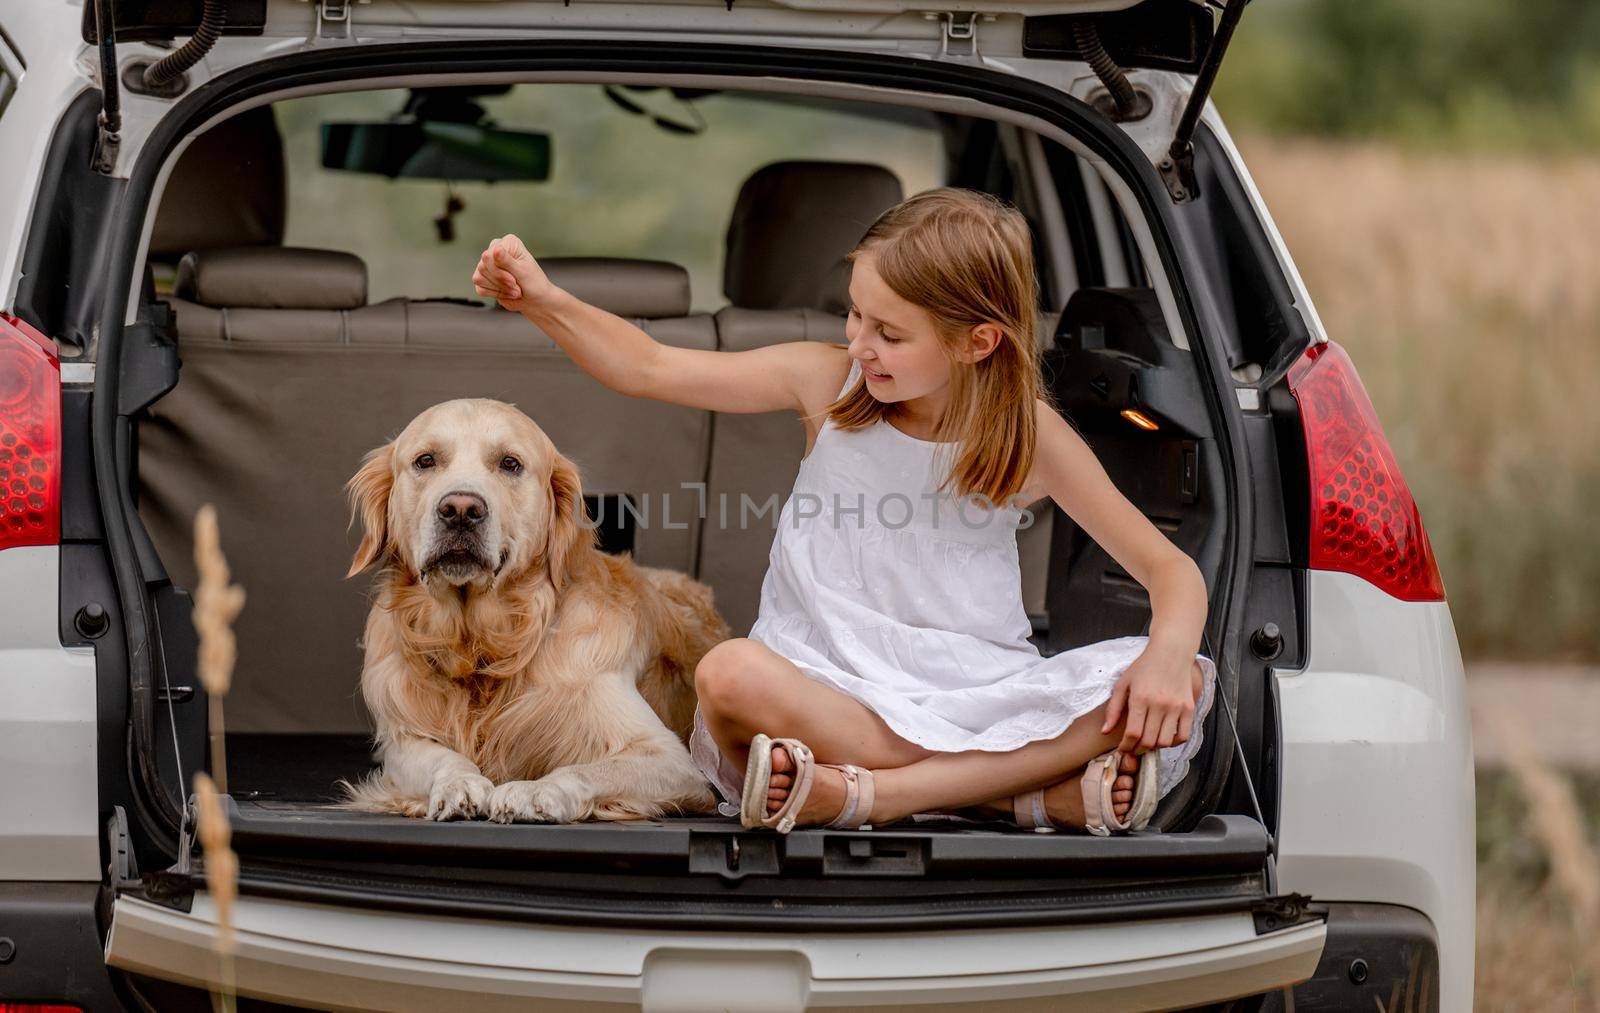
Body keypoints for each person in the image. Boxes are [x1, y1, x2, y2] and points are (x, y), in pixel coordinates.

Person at [472, 187, 1215, 835]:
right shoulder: (828, 384)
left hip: (969, 693)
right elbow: (648, 366)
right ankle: (1012, 796)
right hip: (825, 690)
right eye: (855, 315)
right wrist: (543, 298)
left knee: (1175, 678)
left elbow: (1169, 570)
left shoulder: (1028, 435)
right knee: (728, 676)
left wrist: (1166, 656)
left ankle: (876, 797)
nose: (860, 342)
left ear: (977, 341)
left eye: (890, 333)